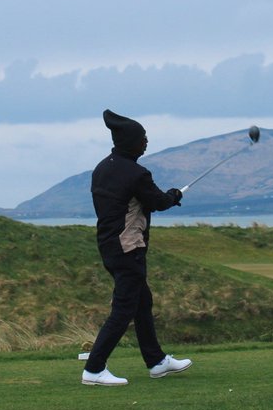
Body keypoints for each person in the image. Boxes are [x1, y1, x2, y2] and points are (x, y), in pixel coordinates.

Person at [82, 109, 193, 386]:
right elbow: (158, 201)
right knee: (124, 308)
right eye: (142, 138)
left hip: (109, 246)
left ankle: (156, 361)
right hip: (129, 247)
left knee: (142, 302)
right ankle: (94, 369)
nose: (146, 142)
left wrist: (166, 197)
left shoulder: (102, 168)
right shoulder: (136, 173)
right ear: (130, 142)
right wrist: (174, 195)